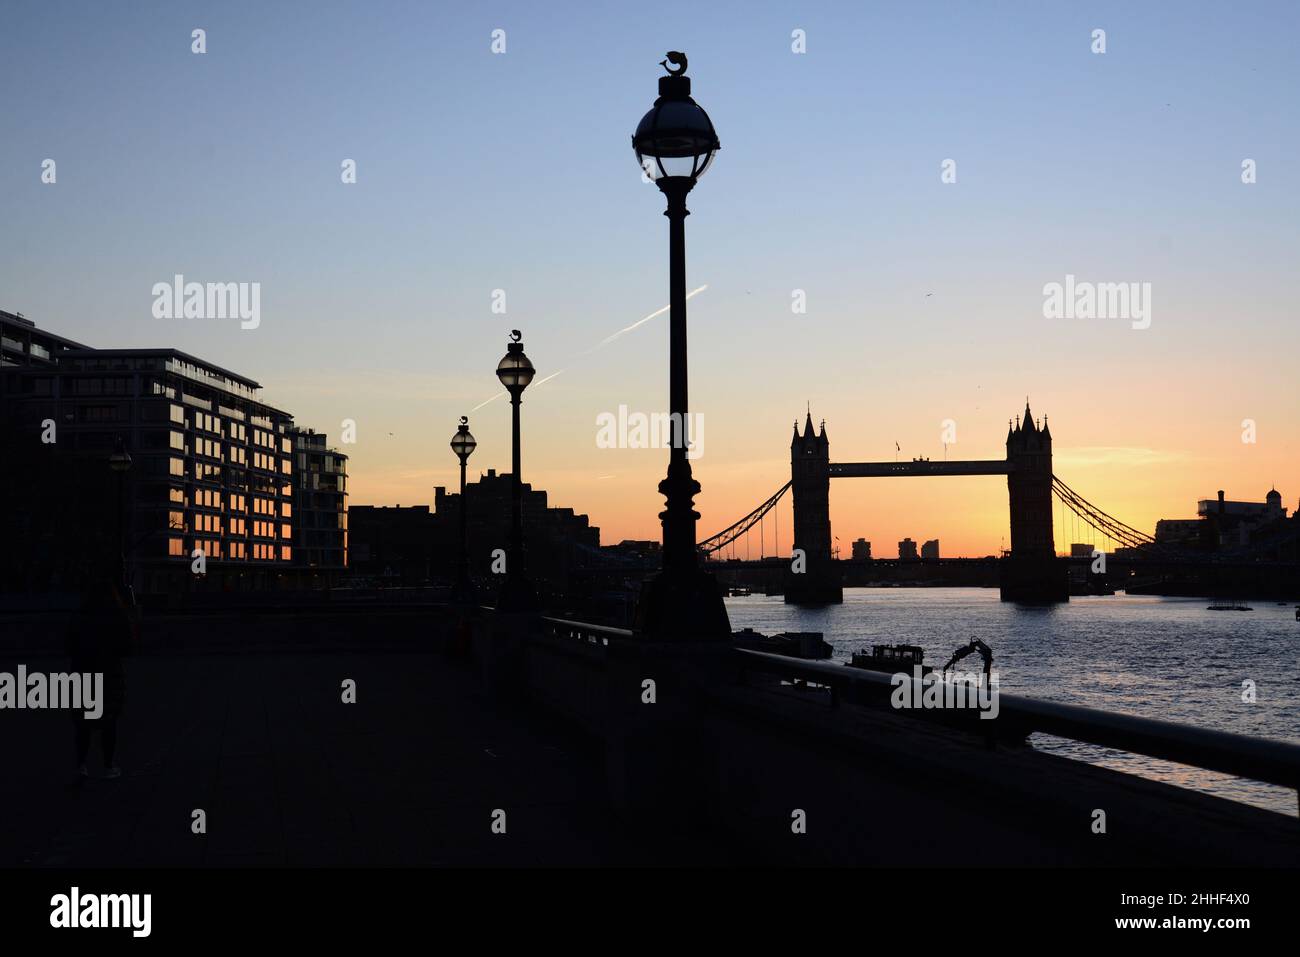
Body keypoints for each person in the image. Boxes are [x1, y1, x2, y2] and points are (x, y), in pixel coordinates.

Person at [65, 572, 134, 780]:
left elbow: (68, 645)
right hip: (110, 673)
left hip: (83, 672)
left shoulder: (80, 617)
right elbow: (128, 647)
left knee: (83, 723)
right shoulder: (118, 617)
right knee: (109, 723)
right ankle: (108, 766)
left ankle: (81, 765)